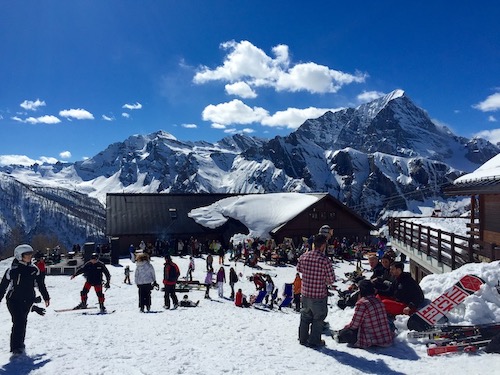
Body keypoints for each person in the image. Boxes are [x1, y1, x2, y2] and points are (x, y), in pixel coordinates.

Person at [0, 245, 50, 355]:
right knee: (18, 321)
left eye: (30, 254)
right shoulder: (12, 270)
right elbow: (3, 286)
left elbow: (40, 284)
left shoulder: (34, 269)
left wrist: (46, 297)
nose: (30, 256)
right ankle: (15, 347)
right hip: (13, 300)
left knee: (23, 322)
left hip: (28, 300)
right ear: (19, 256)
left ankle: (20, 344)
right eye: (27, 254)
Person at [297, 234, 336, 348]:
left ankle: (303, 338)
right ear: (323, 245)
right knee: (318, 318)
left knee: (305, 317)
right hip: (319, 295)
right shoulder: (325, 260)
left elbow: (299, 269)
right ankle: (314, 341)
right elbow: (331, 279)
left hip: (305, 293)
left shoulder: (304, 256)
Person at [337, 280, 394, 348]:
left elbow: (354, 325)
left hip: (370, 338)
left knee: (345, 333)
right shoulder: (378, 300)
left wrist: (343, 329)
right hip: (385, 338)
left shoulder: (362, 303)